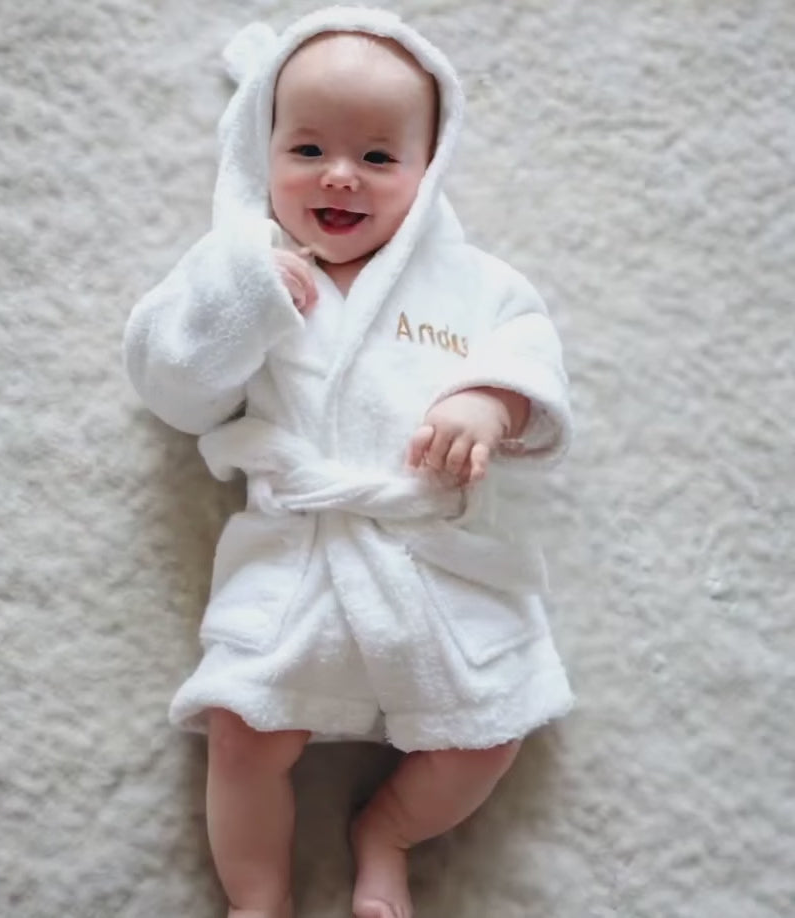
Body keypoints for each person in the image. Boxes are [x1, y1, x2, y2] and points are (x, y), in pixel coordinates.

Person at [123, 7, 573, 918]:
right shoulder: (240, 270)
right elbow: (169, 383)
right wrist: (242, 299)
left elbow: (531, 349)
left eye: (377, 158)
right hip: (295, 556)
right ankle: (259, 899)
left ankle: (388, 836)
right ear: (263, 151)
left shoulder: (474, 284)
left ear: (429, 167)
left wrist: (488, 399)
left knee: (492, 732)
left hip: (431, 562)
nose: (340, 176)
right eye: (307, 151)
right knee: (242, 733)